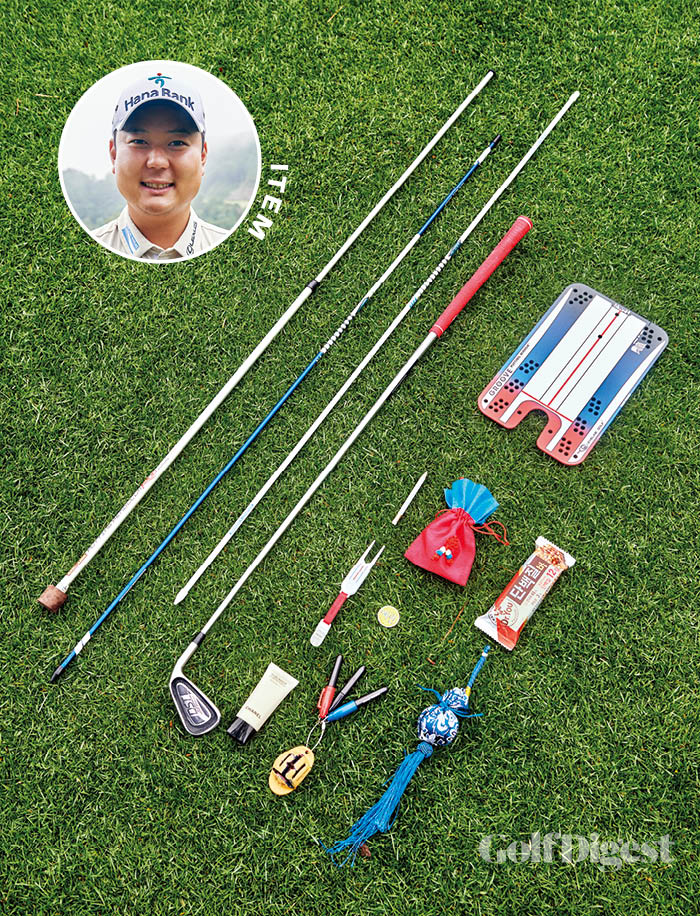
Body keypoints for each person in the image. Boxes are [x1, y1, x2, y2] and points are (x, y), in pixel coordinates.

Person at [93, 73, 228, 260]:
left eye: (177, 143)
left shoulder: (239, 252)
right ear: (114, 154)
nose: (157, 162)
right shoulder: (80, 252)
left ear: (202, 156)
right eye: (139, 141)